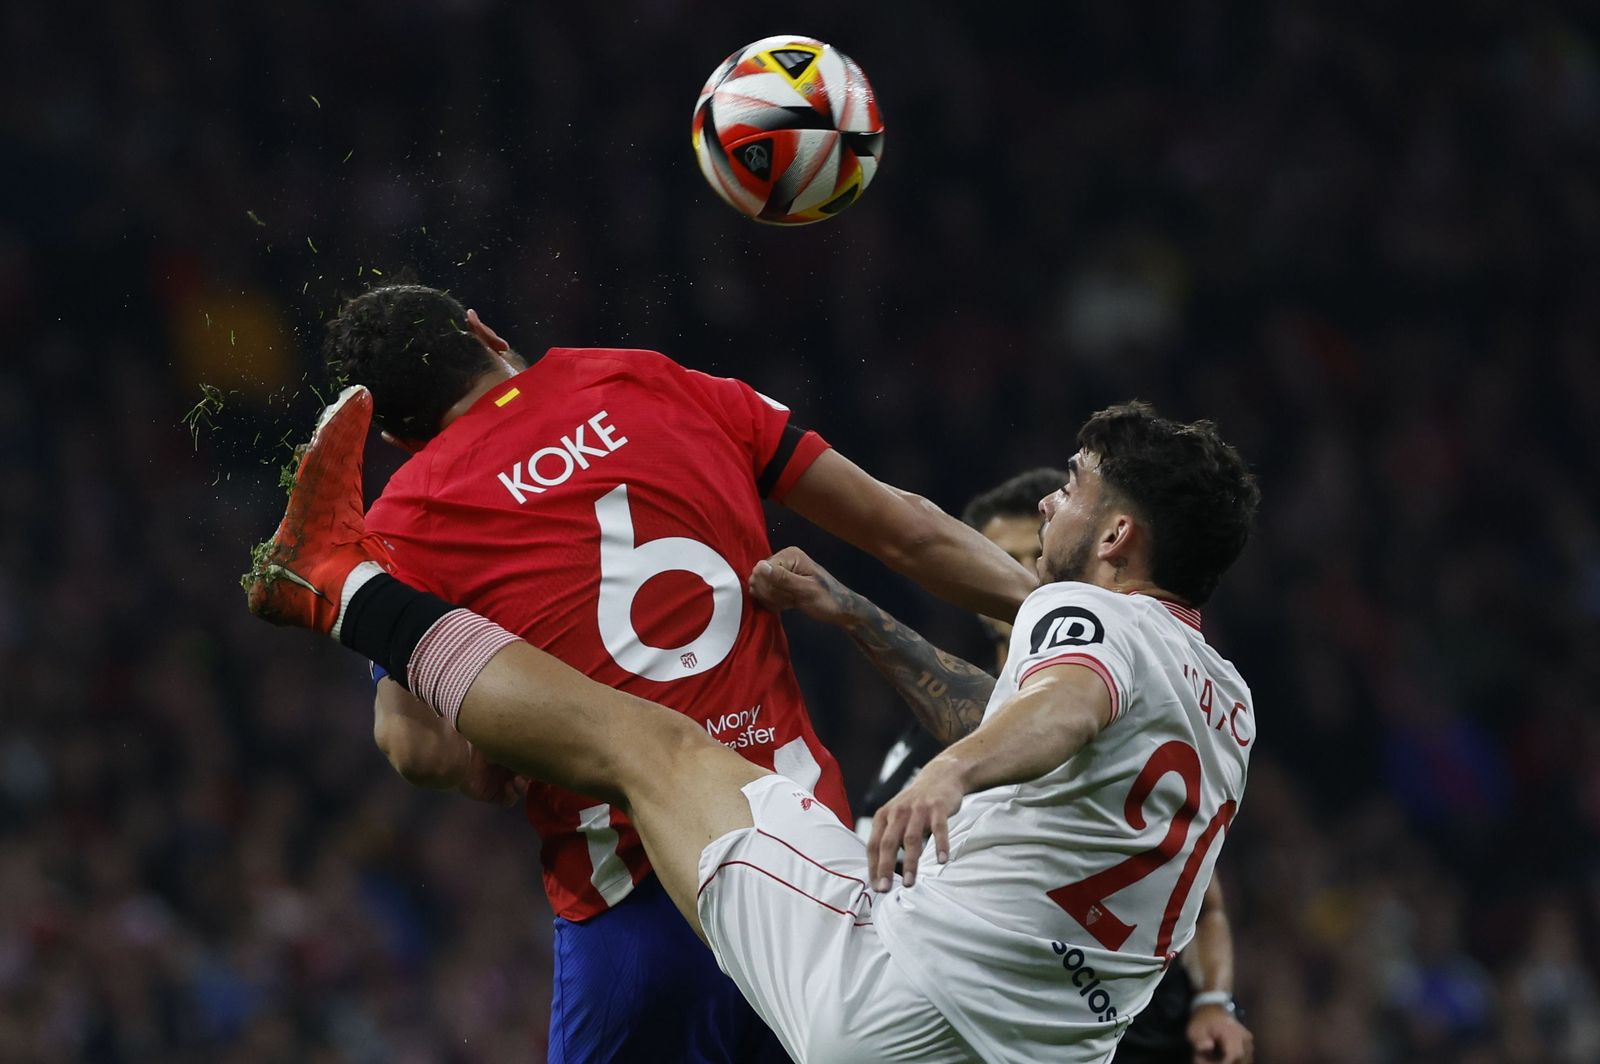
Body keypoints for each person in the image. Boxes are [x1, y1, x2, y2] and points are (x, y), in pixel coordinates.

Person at [245, 388, 1260, 1063]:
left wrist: (952, 772)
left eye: (1075, 484)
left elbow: (1061, 702)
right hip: (1037, 1049)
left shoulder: (1079, 619)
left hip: (896, 999)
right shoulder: (1225, 697)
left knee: (650, 743)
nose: (1052, 497)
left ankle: (339, 587)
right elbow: (1067, 720)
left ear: (1119, 534)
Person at [316, 284, 1037, 1062]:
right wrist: (1082, 621)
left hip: (634, 910)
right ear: (484, 332)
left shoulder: (404, 522)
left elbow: (416, 749)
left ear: (392, 437)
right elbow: (909, 531)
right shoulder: (653, 380)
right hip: (812, 876)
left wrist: (491, 751)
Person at [757, 465, 1254, 1063]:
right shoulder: (939, 737)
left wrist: (1214, 1001)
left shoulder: (1100, 706)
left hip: (1113, 1032)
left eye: (1031, 553)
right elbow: (990, 715)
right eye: (1005, 556)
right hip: (975, 1017)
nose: (1022, 574)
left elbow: (1208, 900)